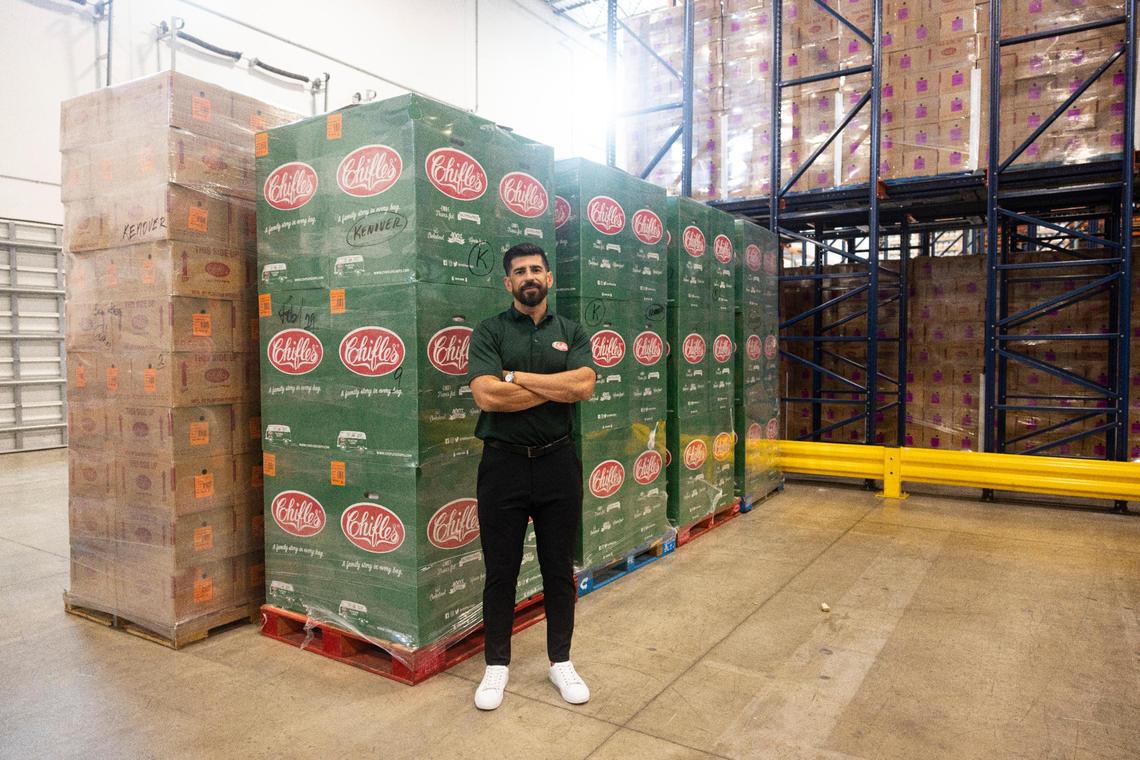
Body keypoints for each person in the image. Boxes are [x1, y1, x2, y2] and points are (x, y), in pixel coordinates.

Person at [466, 242, 597, 711]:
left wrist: (516, 377)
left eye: (536, 269)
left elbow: (584, 385)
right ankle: (496, 665)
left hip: (558, 462)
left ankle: (560, 660)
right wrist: (557, 387)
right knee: (500, 570)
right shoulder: (489, 330)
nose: (529, 277)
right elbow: (487, 397)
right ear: (508, 282)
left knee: (557, 568)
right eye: (519, 271)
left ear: (549, 278)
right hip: (502, 465)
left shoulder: (571, 330)